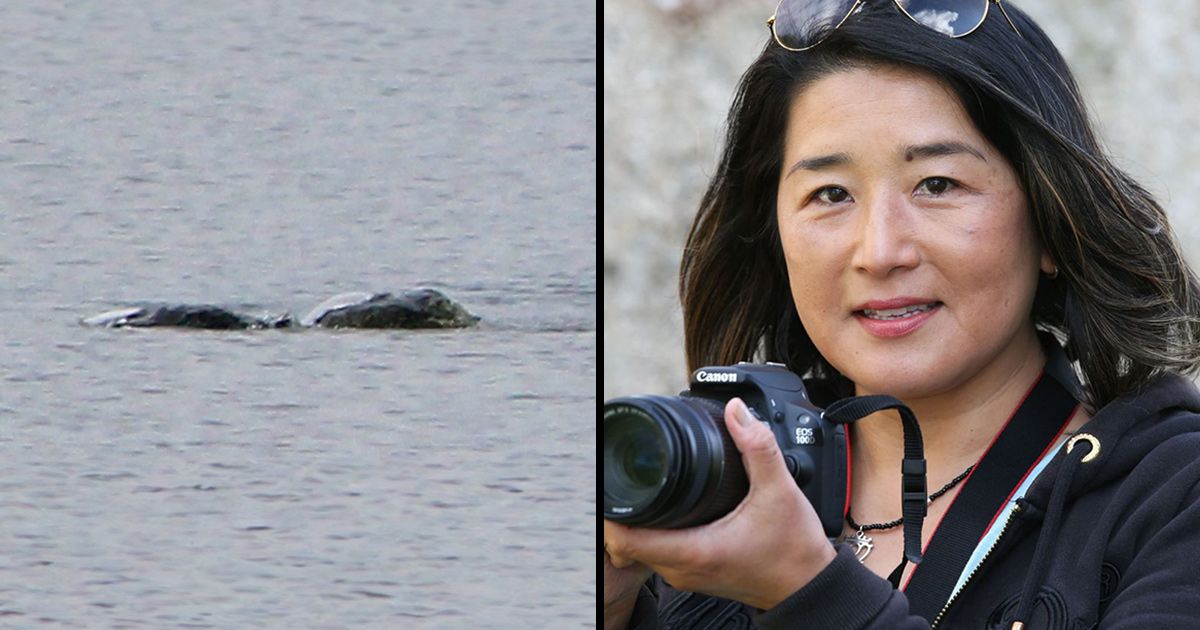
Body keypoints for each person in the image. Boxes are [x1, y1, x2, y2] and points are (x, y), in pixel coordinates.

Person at [603, 0, 1200, 628]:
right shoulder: (714, 481)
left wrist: (809, 592)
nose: (881, 251)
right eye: (830, 194)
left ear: (1053, 222)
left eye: (937, 184)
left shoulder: (1171, 499)